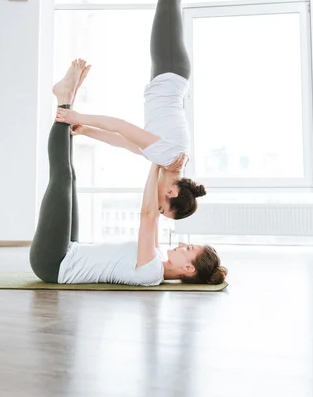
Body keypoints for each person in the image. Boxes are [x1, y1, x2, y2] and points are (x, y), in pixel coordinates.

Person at [56, 0, 206, 220]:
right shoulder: (168, 156)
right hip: (169, 67)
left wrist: (86, 131)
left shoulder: (164, 158)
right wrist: (79, 116)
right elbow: (121, 124)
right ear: (170, 192)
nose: (155, 204)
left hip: (168, 72)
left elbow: (121, 140)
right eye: (162, 207)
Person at [29, 58, 227, 286]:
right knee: (70, 178)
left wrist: (158, 161)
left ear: (188, 268)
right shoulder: (158, 256)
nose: (183, 244)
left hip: (55, 263)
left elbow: (148, 215)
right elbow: (155, 211)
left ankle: (64, 98)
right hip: (70, 250)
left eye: (189, 248)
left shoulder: (151, 272)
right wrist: (166, 164)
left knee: (62, 176)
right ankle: (69, 97)